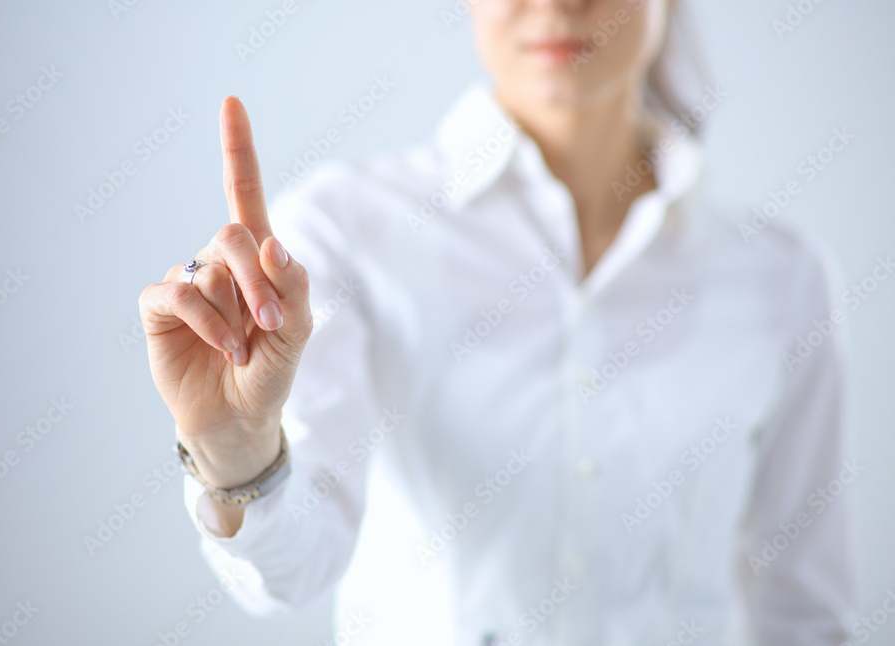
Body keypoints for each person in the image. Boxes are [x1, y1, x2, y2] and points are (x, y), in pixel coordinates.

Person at [138, 1, 856, 643]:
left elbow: (805, 617)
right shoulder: (341, 233)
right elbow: (291, 572)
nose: (558, 5)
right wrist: (236, 452)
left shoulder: (781, 280)